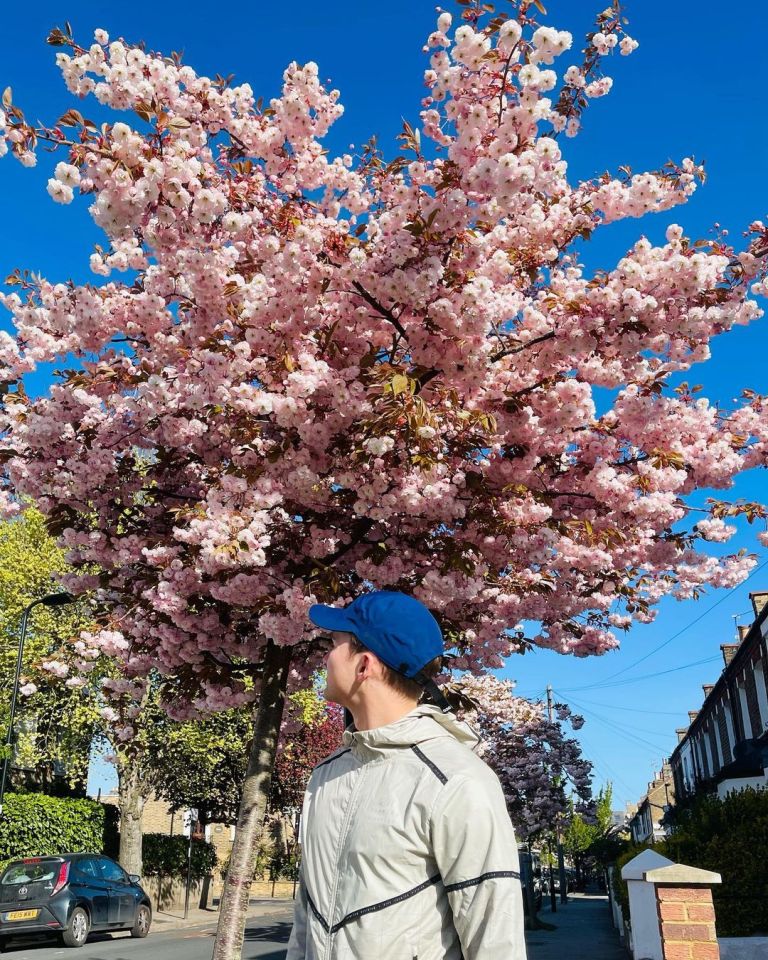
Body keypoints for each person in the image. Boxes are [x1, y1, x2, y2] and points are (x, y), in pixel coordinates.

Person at [286, 590, 527, 960]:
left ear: (364, 665)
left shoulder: (454, 780)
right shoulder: (324, 777)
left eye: (333, 643)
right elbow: (306, 917)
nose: (325, 657)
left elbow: (495, 936)